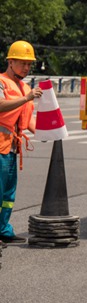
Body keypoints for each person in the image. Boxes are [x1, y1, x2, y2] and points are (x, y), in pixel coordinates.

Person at [0, 41, 42, 245]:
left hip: (11, 149)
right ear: (10, 62)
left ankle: (3, 230)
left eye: (29, 64)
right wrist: (26, 98)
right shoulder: (1, 82)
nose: (26, 67)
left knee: (8, 195)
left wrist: (48, 132)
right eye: (22, 63)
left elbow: (29, 120)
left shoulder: (25, 87)